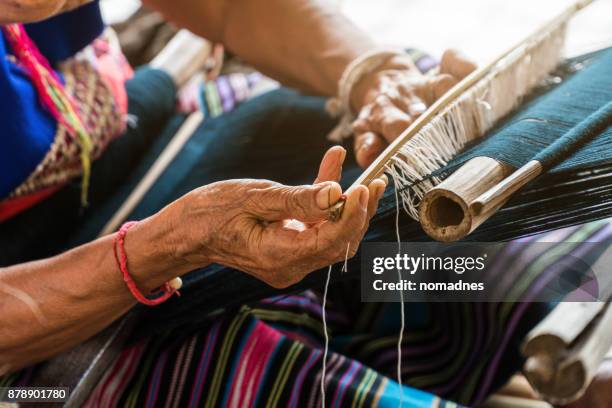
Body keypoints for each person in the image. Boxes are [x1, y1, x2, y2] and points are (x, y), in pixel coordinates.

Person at [1, 1, 609, 406]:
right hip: (33, 309)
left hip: (129, 149)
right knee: (230, 366)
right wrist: (164, 249)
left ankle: (580, 333)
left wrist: (372, 76)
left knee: (426, 181)